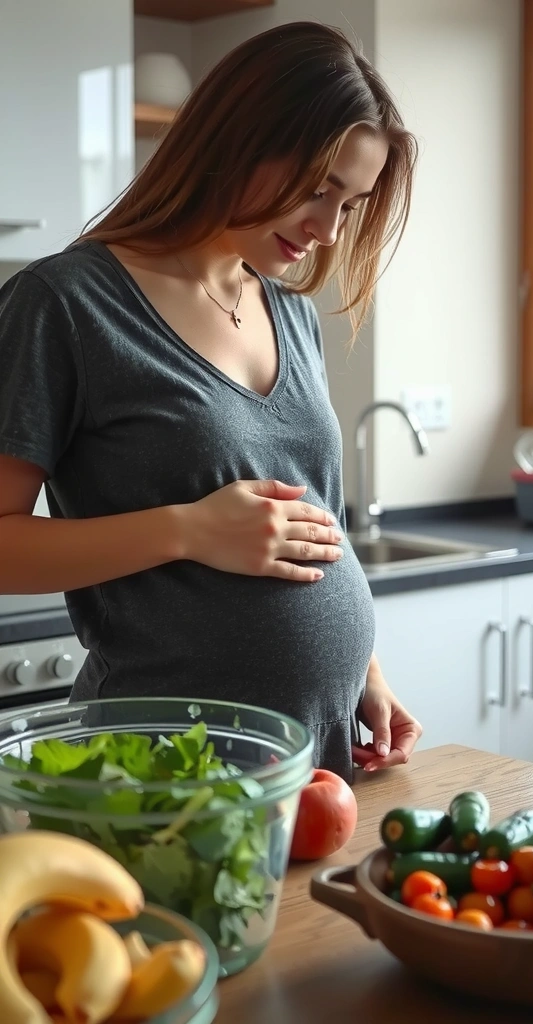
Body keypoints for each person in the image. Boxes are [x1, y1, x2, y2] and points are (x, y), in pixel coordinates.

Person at [0, 21, 422, 783]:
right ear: (240, 139)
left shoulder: (286, 309)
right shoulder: (65, 304)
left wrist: (367, 673)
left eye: (351, 205)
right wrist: (190, 530)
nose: (327, 230)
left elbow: (312, 519)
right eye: (319, 188)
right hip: (160, 773)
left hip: (321, 759)